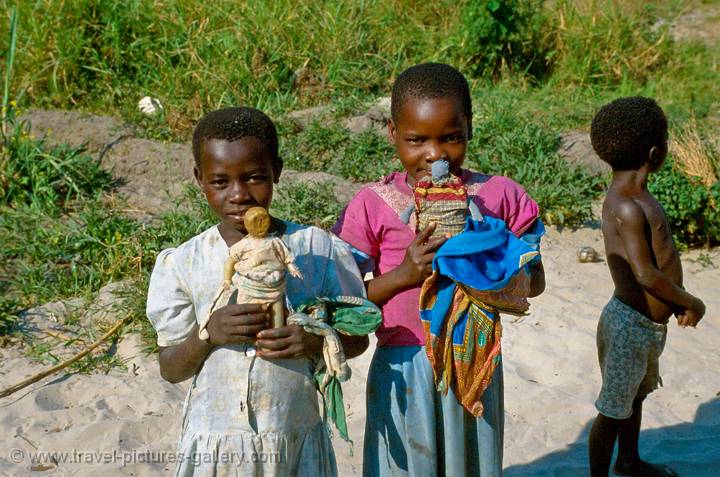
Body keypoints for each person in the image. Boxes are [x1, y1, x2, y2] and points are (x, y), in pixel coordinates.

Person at [332, 63, 546, 477]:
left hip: (475, 359)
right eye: (417, 140)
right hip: (403, 362)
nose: (435, 155)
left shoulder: (498, 196)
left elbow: (535, 283)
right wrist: (402, 277)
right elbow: (343, 303)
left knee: (472, 461)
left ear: (469, 129)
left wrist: (491, 269)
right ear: (394, 133)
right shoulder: (373, 205)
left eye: (451, 137)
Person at [146, 106, 371, 476]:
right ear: (199, 179)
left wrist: (313, 343)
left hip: (292, 434)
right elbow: (170, 368)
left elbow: (357, 339)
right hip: (216, 442)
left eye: (254, 178)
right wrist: (208, 334)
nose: (239, 195)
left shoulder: (317, 250)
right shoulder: (184, 263)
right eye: (220, 182)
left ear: (276, 172)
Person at [587, 97, 706, 477]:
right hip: (628, 327)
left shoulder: (638, 198)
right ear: (656, 152)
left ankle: (629, 461)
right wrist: (690, 301)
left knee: (634, 397)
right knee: (612, 410)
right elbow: (644, 273)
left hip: (647, 329)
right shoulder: (625, 205)